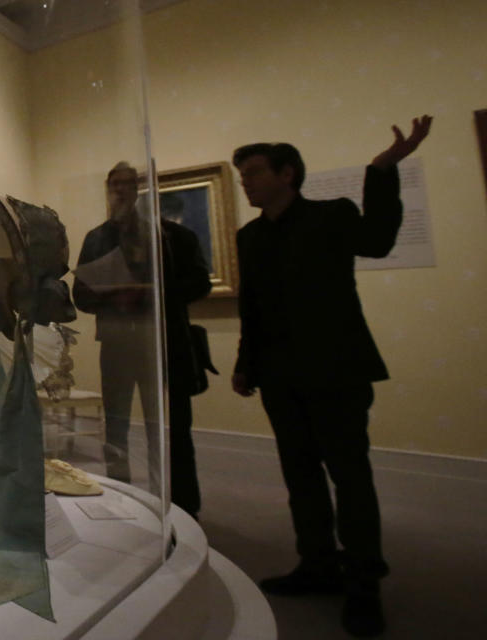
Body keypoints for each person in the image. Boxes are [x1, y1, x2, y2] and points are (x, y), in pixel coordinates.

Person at [231, 116, 433, 637]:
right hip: (279, 377)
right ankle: (318, 565)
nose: (245, 182)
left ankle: (364, 582)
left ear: (287, 173)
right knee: (301, 479)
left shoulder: (332, 216)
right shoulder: (249, 236)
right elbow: (252, 309)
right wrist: (244, 364)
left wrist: (382, 169)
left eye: (253, 172)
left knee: (351, 478)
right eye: (241, 175)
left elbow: (381, 239)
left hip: (337, 372)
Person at [73, 162, 212, 514]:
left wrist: (148, 293)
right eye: (114, 184)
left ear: (138, 190)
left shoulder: (172, 236)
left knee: (170, 431)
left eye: (126, 184)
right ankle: (122, 503)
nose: (120, 190)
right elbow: (81, 295)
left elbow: (200, 283)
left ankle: (182, 510)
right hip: (118, 345)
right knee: (115, 430)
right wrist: (113, 296)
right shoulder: (96, 239)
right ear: (108, 189)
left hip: (164, 344)